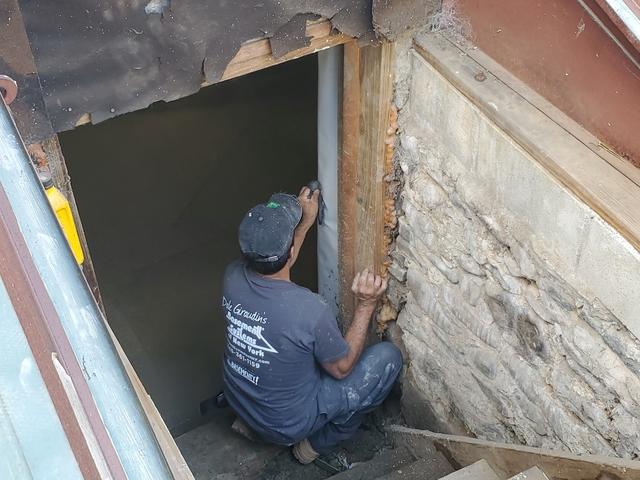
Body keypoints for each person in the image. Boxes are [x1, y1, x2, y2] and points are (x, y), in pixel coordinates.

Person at [221, 185, 402, 465]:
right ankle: (312, 446)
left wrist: (304, 224)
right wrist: (366, 304)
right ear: (290, 249)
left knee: (294, 352)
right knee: (387, 359)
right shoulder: (308, 310)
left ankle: (251, 425)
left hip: (242, 401)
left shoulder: (232, 276)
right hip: (285, 424)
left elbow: (276, 263)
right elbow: (341, 369)